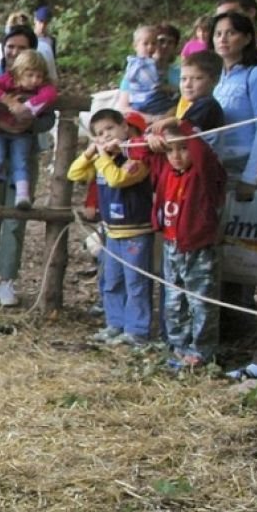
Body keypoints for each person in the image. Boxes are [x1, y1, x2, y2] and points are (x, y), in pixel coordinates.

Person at [133, 123, 227, 367]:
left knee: (201, 302)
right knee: (174, 301)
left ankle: (201, 352)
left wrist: (180, 124)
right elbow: (140, 153)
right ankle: (178, 347)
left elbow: (202, 152)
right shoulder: (165, 168)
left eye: (183, 149)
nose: (176, 156)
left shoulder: (204, 173)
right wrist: (150, 138)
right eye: (170, 150)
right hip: (171, 245)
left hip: (198, 247)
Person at [208, 8, 257, 332]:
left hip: (245, 168)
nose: (223, 39)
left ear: (247, 37)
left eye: (231, 32)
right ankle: (221, 322)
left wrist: (251, 176)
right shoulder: (219, 79)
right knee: (220, 244)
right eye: (218, 33)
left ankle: (242, 323)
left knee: (242, 246)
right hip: (218, 168)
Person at [0, 25, 46, 306]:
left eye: (22, 48)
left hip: (24, 157)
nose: (14, 52)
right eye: (10, 46)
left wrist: (29, 119)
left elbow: (50, 116)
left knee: (15, 218)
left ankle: (7, 279)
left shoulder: (38, 79)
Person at [67, 108, 155, 347]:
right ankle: (114, 324)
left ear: (124, 127)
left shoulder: (137, 158)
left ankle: (137, 330)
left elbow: (118, 178)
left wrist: (102, 157)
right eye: (99, 133)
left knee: (136, 282)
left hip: (136, 231)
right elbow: (74, 173)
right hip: (111, 232)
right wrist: (90, 152)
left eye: (110, 129)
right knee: (112, 280)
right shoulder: (101, 158)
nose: (105, 135)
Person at [0, 49, 57, 212]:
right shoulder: (7, 81)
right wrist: (8, 102)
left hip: (23, 132)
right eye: (30, 75)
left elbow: (50, 93)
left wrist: (27, 108)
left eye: (39, 76)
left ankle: (22, 196)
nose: (35, 80)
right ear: (19, 73)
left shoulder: (41, 88)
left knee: (20, 161)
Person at [116, 25, 169, 117]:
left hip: (158, 103)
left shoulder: (154, 64)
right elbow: (123, 106)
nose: (150, 47)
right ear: (135, 46)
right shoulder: (137, 65)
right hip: (144, 102)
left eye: (154, 43)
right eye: (146, 44)